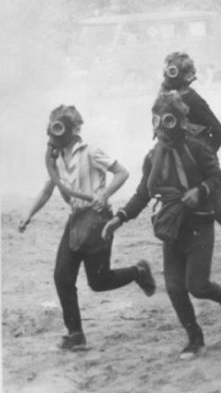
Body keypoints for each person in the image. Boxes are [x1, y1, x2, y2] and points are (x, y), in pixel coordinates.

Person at [102, 91, 221, 359]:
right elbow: (143, 193)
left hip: (199, 223)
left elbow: (217, 176)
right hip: (172, 227)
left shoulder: (197, 147)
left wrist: (200, 190)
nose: (161, 128)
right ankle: (194, 337)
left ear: (180, 121)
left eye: (168, 121)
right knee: (176, 288)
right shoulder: (152, 157)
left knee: (198, 286)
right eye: (156, 121)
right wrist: (119, 218)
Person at [18, 105, 156, 351]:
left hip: (98, 220)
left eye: (60, 127)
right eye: (52, 127)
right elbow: (49, 189)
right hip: (76, 220)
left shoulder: (90, 152)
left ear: (73, 129)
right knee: (62, 276)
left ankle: (138, 272)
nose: (55, 134)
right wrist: (28, 214)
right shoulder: (58, 159)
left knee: (99, 281)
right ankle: (75, 333)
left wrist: (104, 194)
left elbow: (121, 173)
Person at [161, 52, 221, 268]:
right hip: (176, 158)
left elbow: (218, 131)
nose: (171, 75)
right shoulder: (163, 95)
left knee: (217, 209)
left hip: (199, 161)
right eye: (169, 69)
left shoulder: (193, 100)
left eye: (176, 71)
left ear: (188, 76)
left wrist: (204, 155)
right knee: (174, 205)